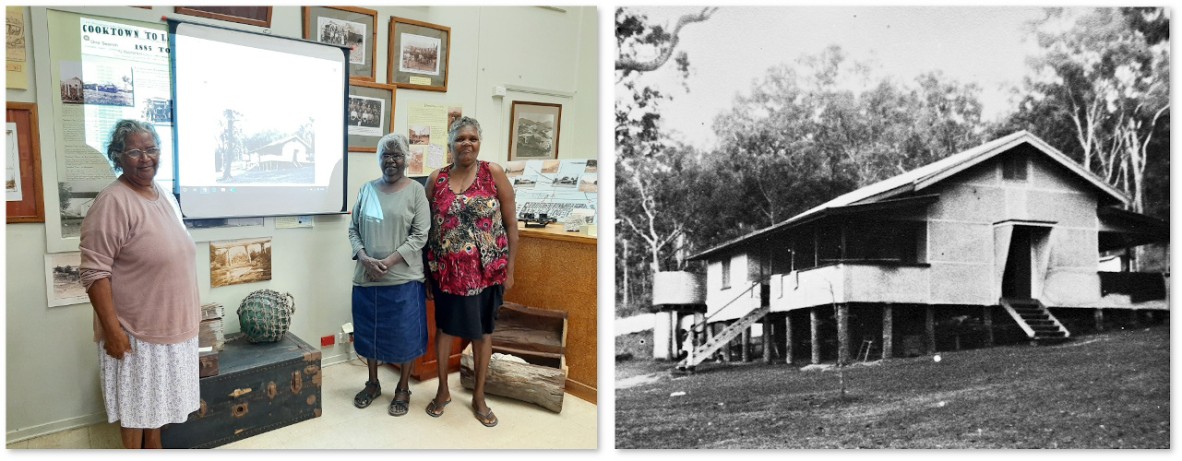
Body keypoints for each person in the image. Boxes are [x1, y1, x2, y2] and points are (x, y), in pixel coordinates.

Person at [78, 119, 200, 449]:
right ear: (116, 156)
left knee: (155, 412)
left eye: (151, 149)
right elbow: (93, 273)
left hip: (171, 330)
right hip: (136, 334)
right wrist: (114, 333)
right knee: (136, 415)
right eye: (134, 151)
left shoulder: (164, 195)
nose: (145, 158)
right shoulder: (112, 202)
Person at [424, 116, 518, 428]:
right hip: (446, 274)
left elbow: (511, 225)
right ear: (450, 144)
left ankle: (479, 397)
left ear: (479, 143)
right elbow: (425, 229)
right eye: (461, 138)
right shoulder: (436, 179)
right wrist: (427, 273)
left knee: (482, 334)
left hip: (487, 273)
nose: (467, 144)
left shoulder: (493, 174)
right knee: (444, 330)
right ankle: (442, 391)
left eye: (472, 139)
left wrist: (511, 271)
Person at [347, 133, 431, 416]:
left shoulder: (416, 192)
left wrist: (388, 261)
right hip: (367, 277)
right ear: (378, 159)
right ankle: (372, 383)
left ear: (406, 159)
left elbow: (420, 235)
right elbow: (353, 229)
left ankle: (403, 389)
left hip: (403, 280)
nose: (391, 161)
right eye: (386, 155)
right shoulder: (366, 189)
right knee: (369, 334)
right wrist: (365, 258)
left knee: (405, 337)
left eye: (397, 155)